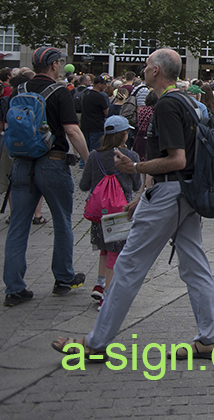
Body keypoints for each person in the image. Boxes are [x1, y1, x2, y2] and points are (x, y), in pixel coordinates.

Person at [52, 48, 214, 361]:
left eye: (146, 65)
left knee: (129, 265)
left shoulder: (168, 104)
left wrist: (134, 168)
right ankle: (209, 338)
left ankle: (96, 342)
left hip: (169, 193)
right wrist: (143, 195)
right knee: (195, 266)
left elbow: (176, 159)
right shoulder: (189, 101)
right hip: (186, 193)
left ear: (156, 70)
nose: (143, 69)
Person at [1, 46, 90, 307]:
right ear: (53, 65)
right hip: (53, 162)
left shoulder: (19, 90)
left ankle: (14, 288)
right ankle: (63, 277)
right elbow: (72, 130)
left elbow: (1, 124)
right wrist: (88, 160)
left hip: (22, 164)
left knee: (18, 226)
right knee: (62, 221)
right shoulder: (59, 92)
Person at [78, 115, 141, 307]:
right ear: (124, 134)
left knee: (104, 248)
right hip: (121, 212)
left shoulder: (94, 155)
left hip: (99, 213)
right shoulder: (131, 156)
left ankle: (99, 284)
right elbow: (136, 185)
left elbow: (83, 185)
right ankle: (108, 294)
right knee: (116, 251)